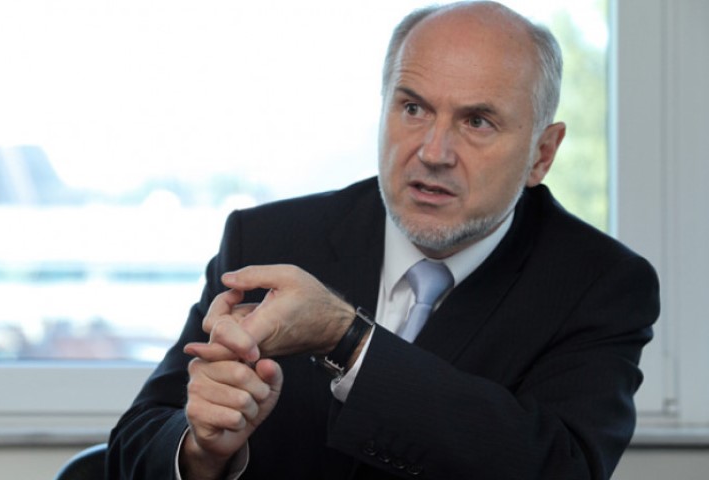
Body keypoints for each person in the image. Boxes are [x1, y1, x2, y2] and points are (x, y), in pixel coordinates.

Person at [107, 2, 659, 479]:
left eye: (477, 122)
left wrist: (348, 339)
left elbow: (559, 468)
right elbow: (131, 449)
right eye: (413, 108)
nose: (434, 152)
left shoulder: (598, 284)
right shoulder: (269, 239)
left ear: (542, 153)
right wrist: (201, 450)